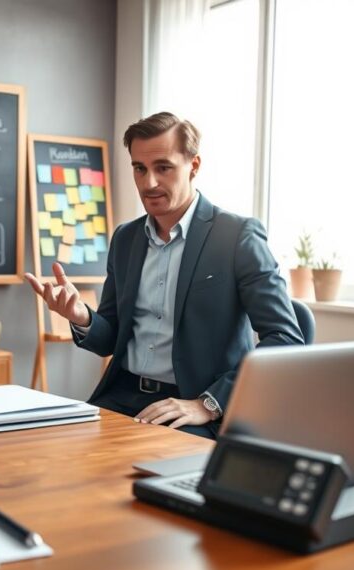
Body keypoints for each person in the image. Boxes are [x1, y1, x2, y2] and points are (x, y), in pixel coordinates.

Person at [25, 112, 303, 438]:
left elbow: (285, 339)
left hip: (193, 407)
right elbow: (111, 338)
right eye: (139, 169)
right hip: (120, 396)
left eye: (163, 168)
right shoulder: (126, 239)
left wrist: (208, 404)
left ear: (194, 166)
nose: (149, 183)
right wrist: (81, 316)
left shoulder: (238, 236)